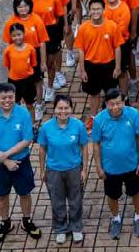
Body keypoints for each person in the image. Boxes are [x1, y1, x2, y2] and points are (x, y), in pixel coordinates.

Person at [0, 82, 41, 243]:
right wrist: (6, 161)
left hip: (21, 161)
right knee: (2, 195)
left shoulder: (23, 114)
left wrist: (6, 155)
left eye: (10, 97)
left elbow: (27, 139)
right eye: (3, 98)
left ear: (15, 97)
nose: (7, 101)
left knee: (25, 193)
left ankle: (26, 221)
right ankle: (5, 223)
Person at [90, 88, 139, 239]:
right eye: (111, 104)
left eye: (118, 103)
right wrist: (98, 167)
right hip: (110, 169)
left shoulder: (133, 114)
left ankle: (138, 218)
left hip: (132, 166)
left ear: (124, 101)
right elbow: (96, 144)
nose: (115, 107)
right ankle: (116, 219)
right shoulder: (99, 120)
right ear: (106, 104)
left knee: (136, 192)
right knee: (112, 195)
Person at [37, 95, 88, 244]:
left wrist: (84, 169)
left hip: (74, 169)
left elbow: (85, 147)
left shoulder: (78, 125)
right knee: (57, 201)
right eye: (60, 108)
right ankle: (60, 229)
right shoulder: (46, 127)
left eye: (66, 108)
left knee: (76, 200)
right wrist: (42, 170)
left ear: (71, 109)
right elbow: (42, 149)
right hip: (54, 171)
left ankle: (76, 227)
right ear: (55, 109)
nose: (63, 111)